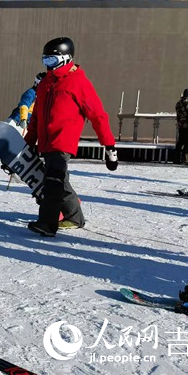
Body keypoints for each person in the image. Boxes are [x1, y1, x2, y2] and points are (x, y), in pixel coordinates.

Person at [24, 37, 117, 237]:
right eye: (45, 61)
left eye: (52, 61)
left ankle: (47, 224)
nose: (48, 66)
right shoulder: (44, 85)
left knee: (53, 183)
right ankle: (75, 217)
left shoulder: (79, 83)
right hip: (46, 143)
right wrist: (28, 142)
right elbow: (36, 117)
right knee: (60, 180)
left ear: (66, 58)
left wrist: (109, 146)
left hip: (63, 141)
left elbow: (98, 115)